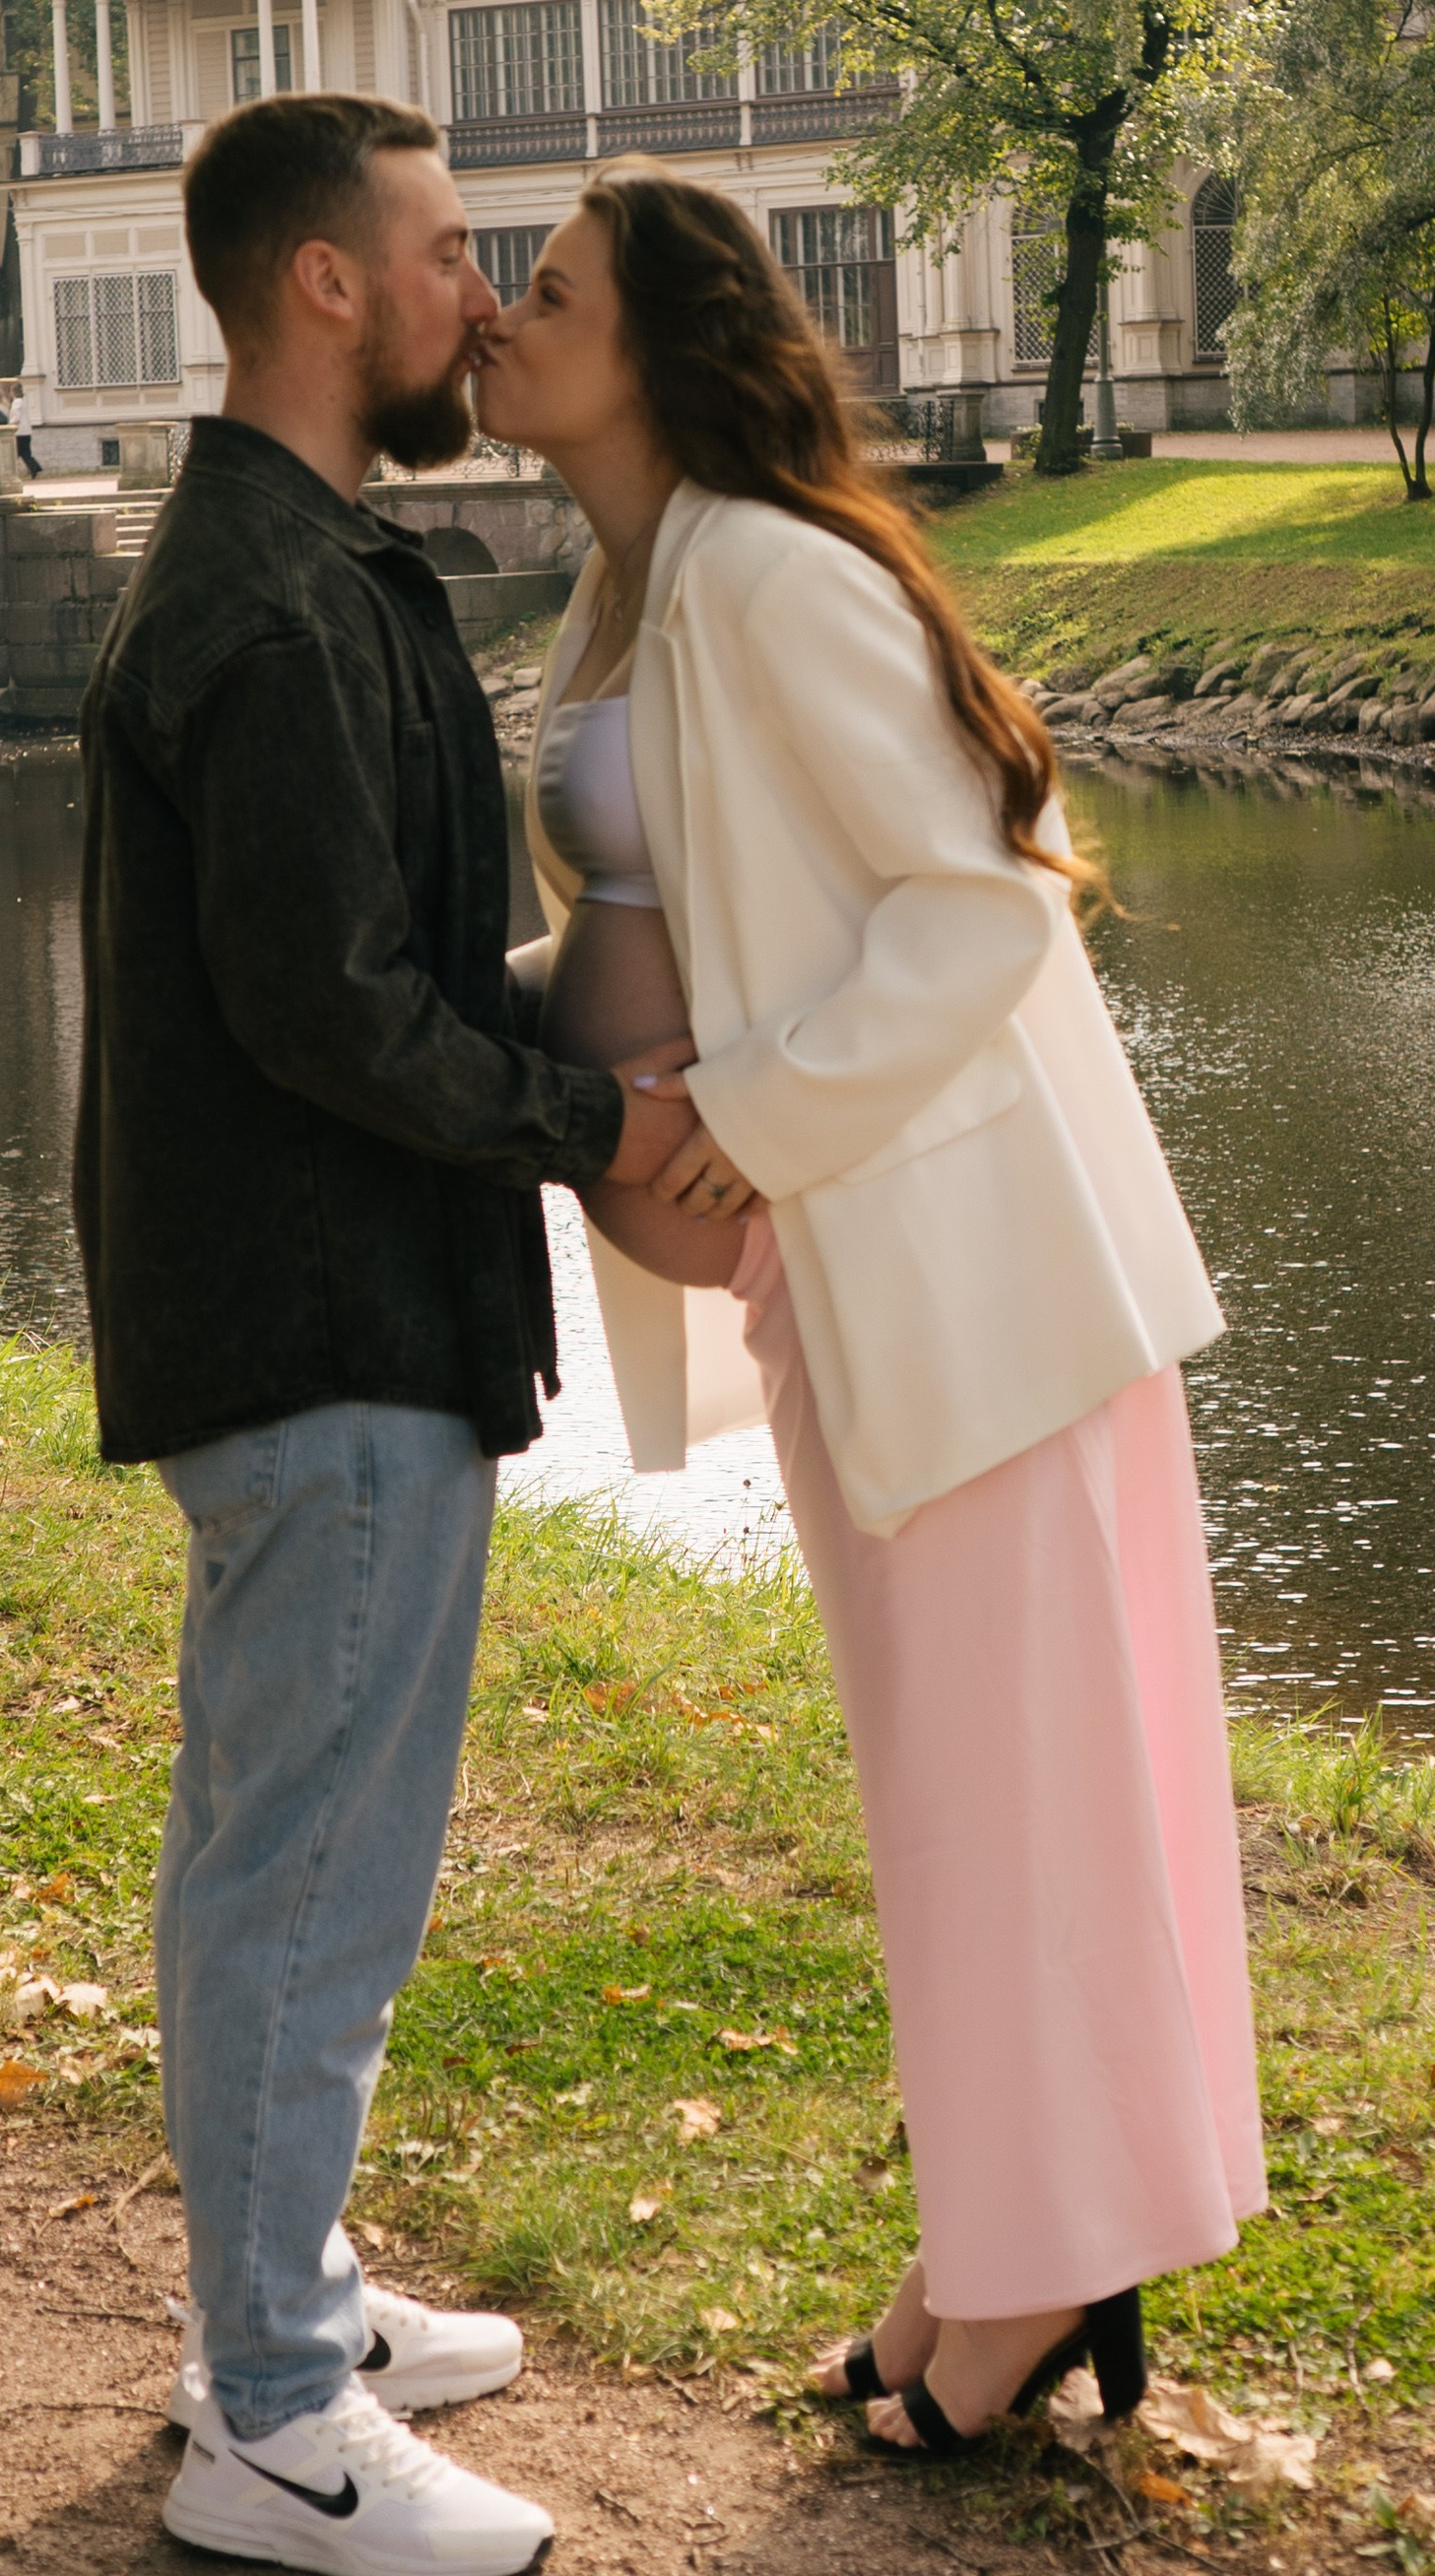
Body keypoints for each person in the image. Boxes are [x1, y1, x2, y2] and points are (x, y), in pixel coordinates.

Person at [475, 168, 1266, 2459]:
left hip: (964, 1274)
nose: (504, 325)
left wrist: (750, 1104)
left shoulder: (767, 570)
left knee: (1011, 1786)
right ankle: (1001, 2241)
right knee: (959, 1790)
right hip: (846, 1270)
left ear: (660, 342)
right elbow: (691, 901)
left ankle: (1030, 2274)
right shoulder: (635, 582)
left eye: (545, 296)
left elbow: (976, 905)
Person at [73, 93, 700, 2576]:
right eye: (448, 252)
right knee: (306, 1876)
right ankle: (267, 2419)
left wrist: (622, 1033)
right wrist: (589, 1125)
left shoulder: (308, 560)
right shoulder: (259, 598)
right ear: (326, 286)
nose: (477, 295)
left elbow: (384, 974)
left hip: (334, 1309)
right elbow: (329, 1013)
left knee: (283, 1844)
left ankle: (288, 2302)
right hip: (316, 1325)